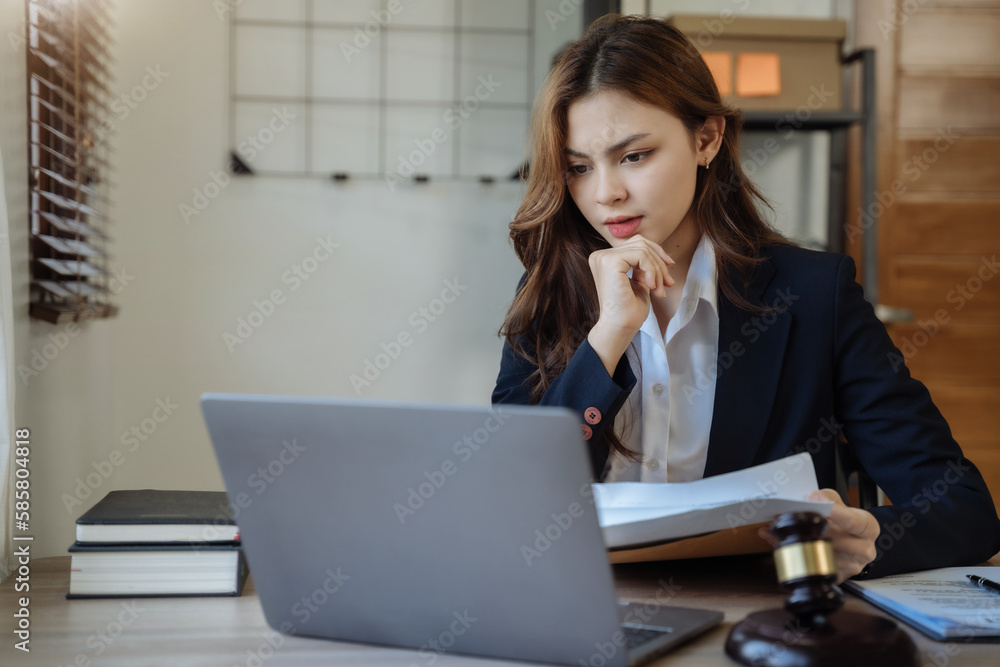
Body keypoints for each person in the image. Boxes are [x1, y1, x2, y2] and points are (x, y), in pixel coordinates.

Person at [491, 14, 1000, 582]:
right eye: (579, 168)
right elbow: (513, 497)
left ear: (706, 138)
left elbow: (964, 510)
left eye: (634, 156)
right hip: (575, 604)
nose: (607, 193)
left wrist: (873, 537)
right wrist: (607, 338)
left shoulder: (813, 294)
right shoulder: (548, 291)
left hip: (750, 620)